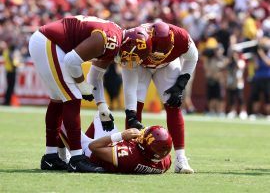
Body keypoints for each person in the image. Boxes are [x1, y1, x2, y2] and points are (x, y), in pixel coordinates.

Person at [28, 15, 152, 172]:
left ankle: (51, 157)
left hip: (48, 42)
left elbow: (95, 75)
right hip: (48, 42)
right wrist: (81, 83)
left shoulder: (116, 40)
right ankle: (76, 158)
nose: (130, 61)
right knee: (73, 97)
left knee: (58, 99)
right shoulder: (111, 40)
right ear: (129, 45)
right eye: (132, 56)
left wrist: (102, 107)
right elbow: (72, 61)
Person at [121, 21, 198, 174]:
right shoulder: (136, 39)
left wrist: (181, 85)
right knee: (135, 108)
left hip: (167, 66)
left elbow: (193, 57)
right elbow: (129, 83)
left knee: (173, 104)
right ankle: (130, 153)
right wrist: (130, 113)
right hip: (140, 65)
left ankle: (181, 158)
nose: (157, 57)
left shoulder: (181, 37)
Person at [60, 114, 172, 174]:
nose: (141, 135)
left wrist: (121, 136)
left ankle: (67, 154)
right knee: (103, 115)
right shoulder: (164, 161)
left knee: (61, 120)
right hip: (114, 149)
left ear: (144, 148)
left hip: (94, 154)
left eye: (143, 137)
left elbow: (93, 147)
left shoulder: (128, 156)